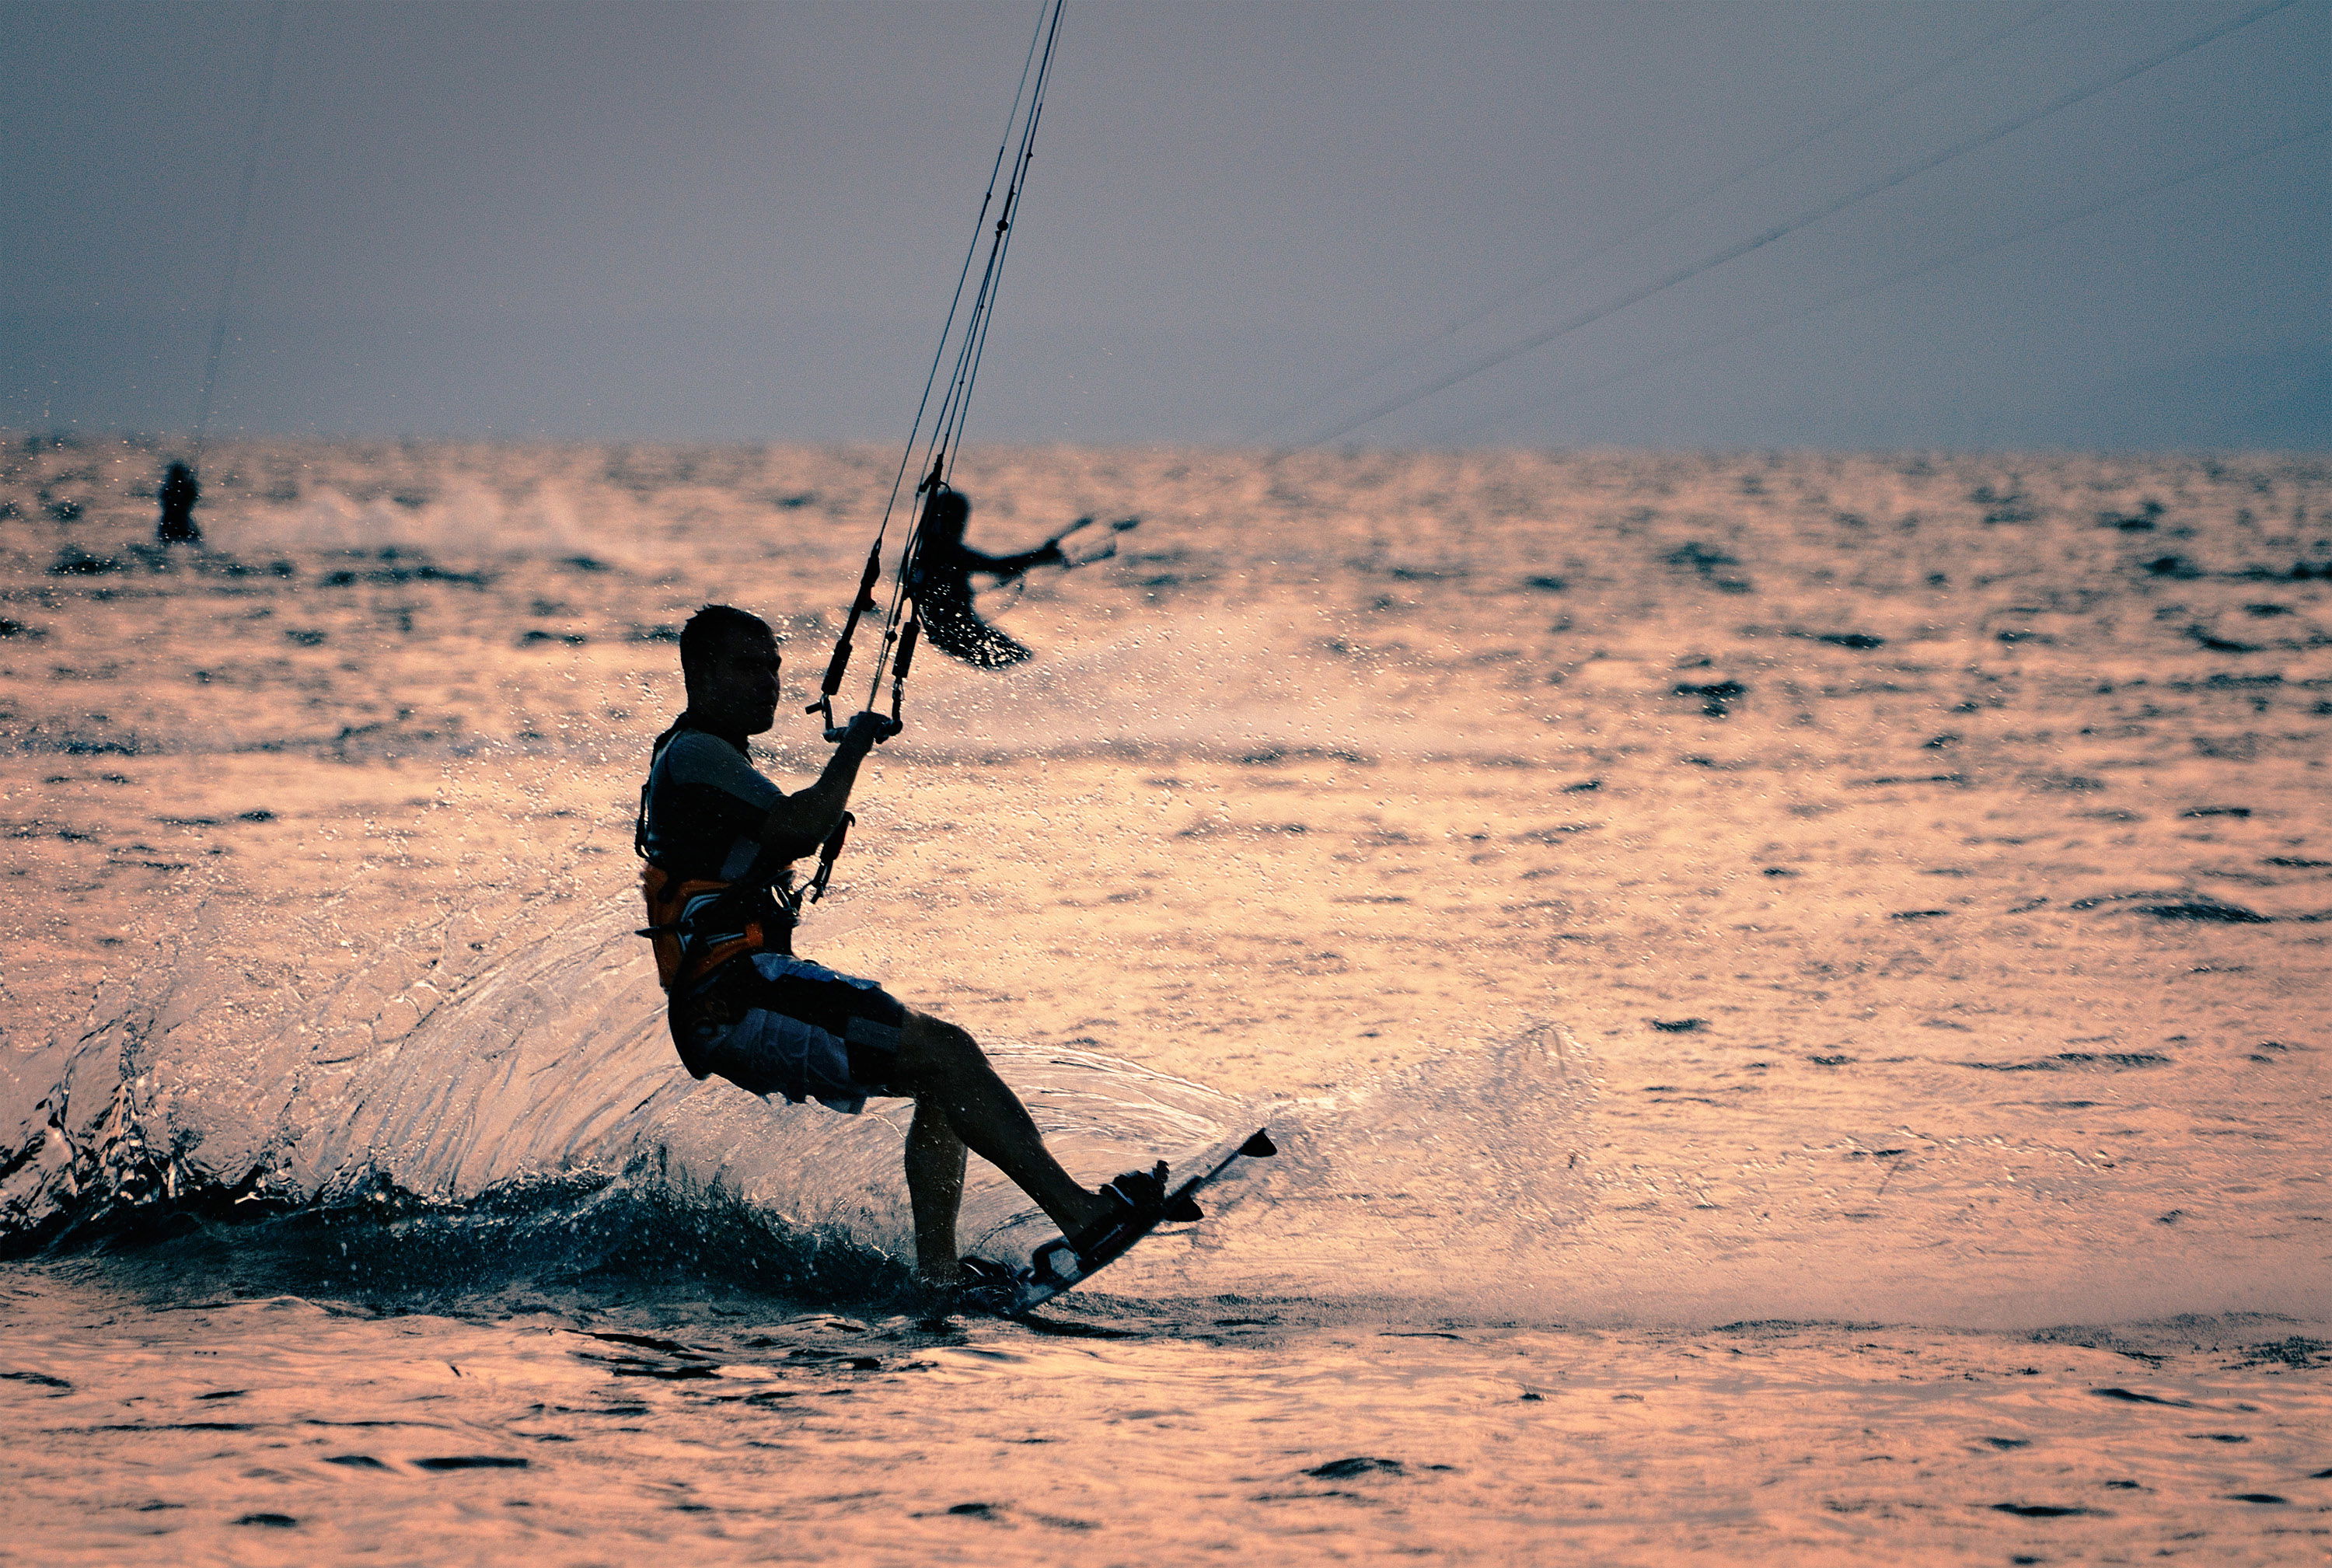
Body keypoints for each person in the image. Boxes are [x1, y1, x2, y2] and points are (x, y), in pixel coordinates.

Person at [634, 602, 1158, 1294]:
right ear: (700, 672)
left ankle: (938, 1272)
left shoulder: (703, 754)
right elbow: (802, 825)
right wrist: (852, 746)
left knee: (943, 1075)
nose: (768, 681)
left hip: (741, 993)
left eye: (774, 666)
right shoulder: (697, 749)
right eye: (747, 666)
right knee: (949, 1055)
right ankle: (1082, 1214)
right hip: (735, 994)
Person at [905, 487, 1066, 669]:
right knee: (1025, 664)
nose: (962, 525)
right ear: (946, 520)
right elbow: (999, 567)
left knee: (1021, 661)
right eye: (958, 520)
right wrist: (1043, 556)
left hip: (950, 636)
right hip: (962, 636)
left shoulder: (927, 551)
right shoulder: (944, 551)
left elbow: (999, 568)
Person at [156, 461, 201, 545]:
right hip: (181, 523)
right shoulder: (183, 489)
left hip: (171, 524)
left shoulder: (168, 489)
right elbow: (192, 498)